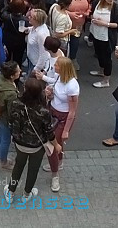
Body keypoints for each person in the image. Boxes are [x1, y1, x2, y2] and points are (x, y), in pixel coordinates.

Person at [4, 77, 54, 204]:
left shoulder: (16, 103)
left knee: (18, 166)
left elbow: (11, 121)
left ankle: (10, 191)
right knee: (33, 169)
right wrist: (56, 144)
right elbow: (48, 131)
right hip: (37, 145)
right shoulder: (43, 111)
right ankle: (26, 194)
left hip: (20, 143)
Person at [46, 56, 79, 193]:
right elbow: (56, 96)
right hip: (53, 113)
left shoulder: (72, 86)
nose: (55, 66)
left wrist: (66, 130)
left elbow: (72, 111)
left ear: (64, 68)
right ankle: (58, 162)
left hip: (63, 118)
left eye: (57, 65)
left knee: (51, 146)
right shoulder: (59, 77)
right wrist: (50, 95)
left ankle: (55, 175)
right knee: (56, 144)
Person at [88, 0, 118, 88]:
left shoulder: (115, 7)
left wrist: (105, 23)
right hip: (96, 33)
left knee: (107, 58)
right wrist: (93, 19)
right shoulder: (96, 2)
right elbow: (91, 13)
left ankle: (106, 80)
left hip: (107, 37)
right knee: (98, 53)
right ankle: (101, 70)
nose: (111, 0)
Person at [0, 60, 20, 170]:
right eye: (18, 71)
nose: (20, 71)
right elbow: (11, 111)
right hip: (6, 117)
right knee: (6, 139)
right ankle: (3, 162)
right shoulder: (11, 93)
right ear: (12, 76)